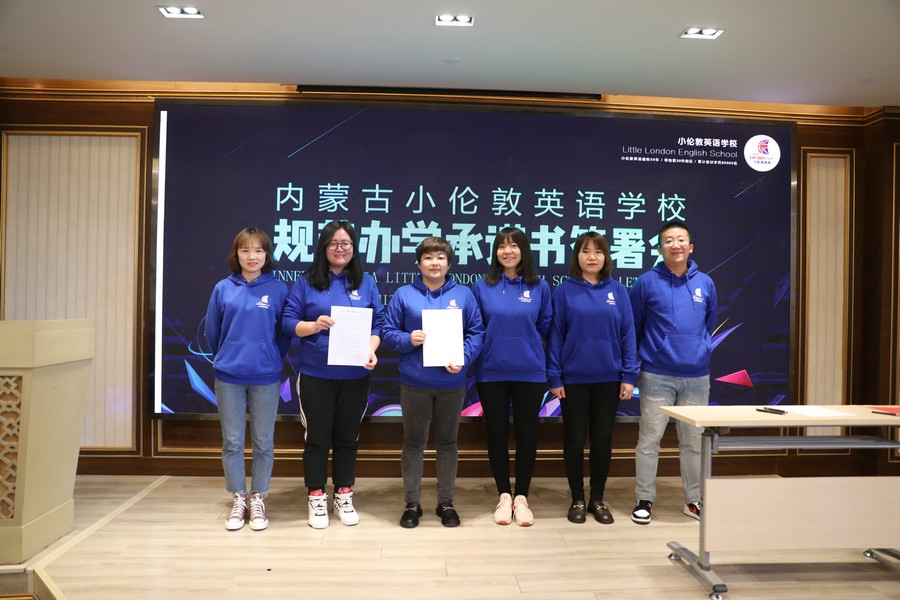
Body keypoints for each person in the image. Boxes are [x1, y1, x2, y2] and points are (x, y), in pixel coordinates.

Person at [282, 219, 384, 529]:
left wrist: (371, 350)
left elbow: (378, 324)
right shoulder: (306, 282)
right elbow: (288, 322)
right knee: (317, 437)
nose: (340, 249)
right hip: (316, 374)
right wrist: (313, 326)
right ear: (324, 247)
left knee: (347, 437)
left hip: (355, 375)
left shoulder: (366, 282)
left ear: (354, 248)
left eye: (346, 243)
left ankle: (344, 494)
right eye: (334, 243)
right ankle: (316, 496)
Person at [381, 236, 485, 528]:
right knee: (413, 443)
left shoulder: (463, 295)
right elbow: (388, 331)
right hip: (415, 382)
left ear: (449, 263)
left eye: (440, 257)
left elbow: (477, 333)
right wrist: (408, 339)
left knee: (448, 443)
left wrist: (463, 357)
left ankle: (446, 502)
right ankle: (412, 504)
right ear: (419, 264)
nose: (434, 263)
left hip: (452, 382)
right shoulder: (404, 294)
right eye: (428, 257)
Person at [629, 220, 718, 525]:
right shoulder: (646, 283)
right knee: (649, 439)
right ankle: (644, 499)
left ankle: (693, 500)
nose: (675, 245)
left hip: (697, 377)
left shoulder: (705, 283)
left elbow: (709, 323)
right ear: (660, 248)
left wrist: (699, 349)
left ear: (690, 247)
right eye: (668, 241)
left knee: (693, 441)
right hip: (656, 375)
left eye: (680, 240)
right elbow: (635, 326)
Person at [547, 231, 638, 525]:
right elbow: (556, 336)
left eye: (598, 251)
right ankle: (577, 497)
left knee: (602, 439)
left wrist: (628, 375)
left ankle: (597, 498)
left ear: (605, 257)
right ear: (577, 256)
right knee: (574, 439)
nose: (592, 257)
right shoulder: (563, 292)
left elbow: (628, 335)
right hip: (573, 379)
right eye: (586, 251)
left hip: (609, 379)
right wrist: (555, 376)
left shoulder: (618, 291)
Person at [205, 226, 290, 532]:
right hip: (229, 376)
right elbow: (213, 332)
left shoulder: (278, 289)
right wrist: (228, 355)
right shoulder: (222, 288)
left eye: (258, 250)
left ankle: (258, 498)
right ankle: (238, 497)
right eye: (245, 250)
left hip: (266, 376)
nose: (252, 256)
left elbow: (283, 334)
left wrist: (270, 358)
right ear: (236, 254)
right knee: (232, 441)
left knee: (264, 441)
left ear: (267, 255)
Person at [472, 227, 552, 527]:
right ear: (495, 252)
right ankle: (504, 495)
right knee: (496, 433)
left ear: (523, 251)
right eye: (502, 246)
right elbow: (476, 327)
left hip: (530, 371)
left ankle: (522, 497)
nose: (507, 251)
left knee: (527, 433)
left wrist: (525, 345)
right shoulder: (482, 287)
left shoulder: (540, 286)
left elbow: (545, 326)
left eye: (514, 245)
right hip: (491, 371)